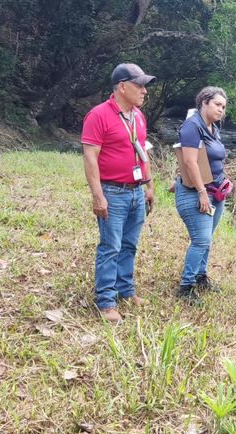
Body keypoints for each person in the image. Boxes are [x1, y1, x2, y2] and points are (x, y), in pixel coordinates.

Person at [82, 63, 156, 322]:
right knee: (110, 246)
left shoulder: (138, 116)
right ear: (122, 87)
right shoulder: (98, 115)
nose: (144, 91)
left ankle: (126, 290)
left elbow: (142, 151)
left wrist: (148, 185)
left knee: (129, 244)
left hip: (136, 192)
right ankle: (106, 301)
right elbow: (90, 158)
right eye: (139, 85)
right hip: (112, 191)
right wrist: (97, 195)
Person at [174, 86, 230, 301]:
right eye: (217, 105)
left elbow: (212, 159)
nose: (221, 110)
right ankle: (186, 287)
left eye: (223, 107)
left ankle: (200, 276)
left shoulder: (212, 127)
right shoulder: (192, 126)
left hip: (217, 191)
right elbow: (189, 161)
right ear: (204, 102)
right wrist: (201, 192)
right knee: (201, 240)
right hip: (196, 193)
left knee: (208, 239)